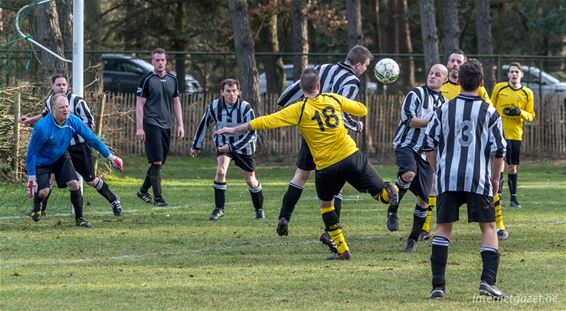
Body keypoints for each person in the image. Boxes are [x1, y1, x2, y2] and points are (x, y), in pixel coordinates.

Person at [215, 68, 398, 260]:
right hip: (352, 155)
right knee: (381, 196)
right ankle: (390, 190)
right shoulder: (333, 99)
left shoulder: (299, 109)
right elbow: (362, 110)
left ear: (301, 88)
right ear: (319, 86)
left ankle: (342, 250)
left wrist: (233, 128)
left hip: (328, 166)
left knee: (326, 205)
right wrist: (345, 107)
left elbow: (266, 122)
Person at [276, 45, 373, 253]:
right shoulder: (352, 80)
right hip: (331, 141)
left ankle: (284, 216)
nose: (364, 70)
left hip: (311, 131)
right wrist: (356, 125)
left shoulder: (323, 67)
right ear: (357, 65)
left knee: (300, 176)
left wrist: (289, 105)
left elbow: (287, 95)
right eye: (365, 67)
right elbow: (342, 109)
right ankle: (330, 234)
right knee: (335, 186)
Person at [424, 59, 507, 300]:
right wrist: (495, 178)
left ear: (458, 81)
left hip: (448, 178)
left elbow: (428, 143)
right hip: (478, 179)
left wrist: (438, 169)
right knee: (489, 227)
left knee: (443, 228)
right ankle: (487, 282)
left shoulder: (444, 109)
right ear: (481, 84)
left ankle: (438, 286)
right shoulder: (490, 112)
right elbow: (500, 150)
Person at [19, 73, 123, 217]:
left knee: (91, 180)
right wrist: (30, 119)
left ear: (68, 86)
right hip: (60, 148)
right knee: (50, 178)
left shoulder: (77, 102)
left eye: (64, 84)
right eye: (58, 85)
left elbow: (89, 127)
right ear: (52, 86)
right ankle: (40, 209)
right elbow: (45, 115)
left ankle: (113, 199)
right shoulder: (50, 102)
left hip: (79, 147)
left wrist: (111, 157)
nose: (61, 87)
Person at [389, 64, 448, 253]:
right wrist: (433, 123)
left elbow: (444, 130)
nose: (433, 76)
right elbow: (409, 119)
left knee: (424, 201)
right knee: (408, 174)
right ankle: (392, 209)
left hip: (427, 153)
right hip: (406, 144)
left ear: (445, 80)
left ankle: (412, 240)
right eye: (431, 73)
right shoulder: (415, 94)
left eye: (438, 75)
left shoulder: (445, 104)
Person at [190, 79, 264, 220]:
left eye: (234, 91)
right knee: (220, 171)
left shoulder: (246, 108)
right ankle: (219, 209)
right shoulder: (214, 106)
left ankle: (259, 209)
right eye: (228, 91)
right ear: (222, 92)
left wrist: (233, 147)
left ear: (238, 92)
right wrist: (196, 145)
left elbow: (252, 133)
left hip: (244, 146)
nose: (231, 94)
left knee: (250, 180)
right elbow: (203, 124)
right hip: (223, 145)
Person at [135, 48, 185, 206]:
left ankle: (143, 190)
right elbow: (139, 104)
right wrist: (140, 127)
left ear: (166, 61)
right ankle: (158, 198)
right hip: (151, 124)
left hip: (166, 126)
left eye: (162, 60)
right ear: (152, 61)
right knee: (156, 161)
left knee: (159, 162)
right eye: (157, 60)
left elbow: (176, 102)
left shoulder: (172, 79)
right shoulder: (147, 79)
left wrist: (180, 124)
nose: (160, 63)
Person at [492, 62, 535, 209]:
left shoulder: (527, 93)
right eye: (511, 72)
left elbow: (530, 116)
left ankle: (514, 198)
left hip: (515, 134)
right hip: (499, 133)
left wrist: (519, 112)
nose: (514, 74)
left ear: (521, 74)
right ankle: (498, 197)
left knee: (512, 167)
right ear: (508, 74)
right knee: (499, 165)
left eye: (517, 72)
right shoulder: (499, 88)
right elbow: (491, 107)